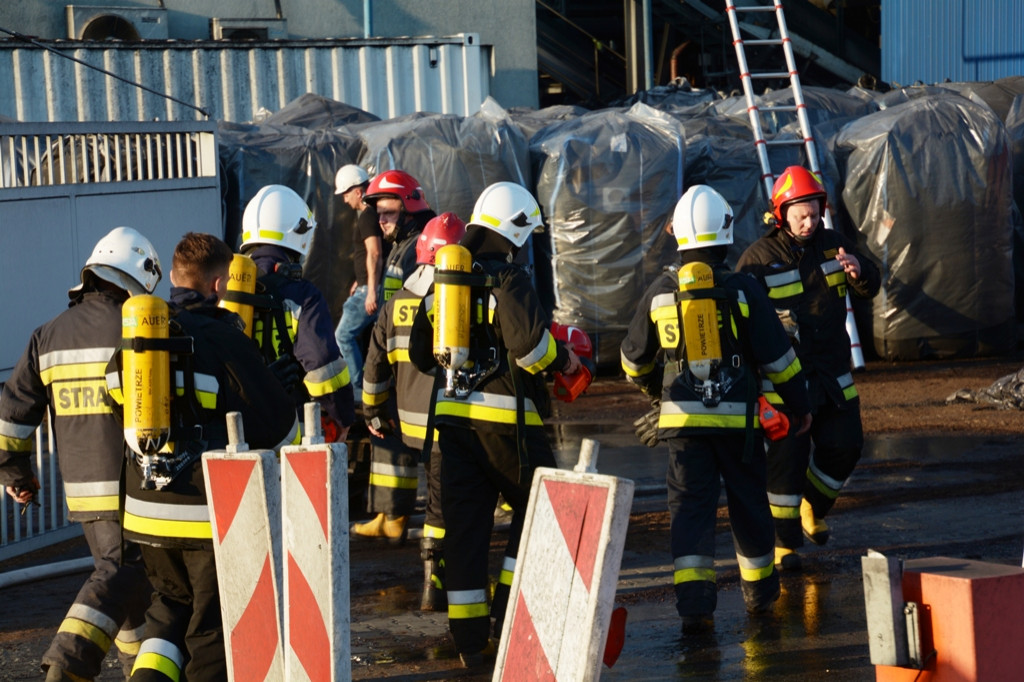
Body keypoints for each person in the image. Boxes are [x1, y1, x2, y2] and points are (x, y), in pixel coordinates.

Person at [620, 185, 812, 633]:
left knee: (690, 510)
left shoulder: (660, 293)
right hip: (739, 428)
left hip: (683, 428)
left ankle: (695, 605)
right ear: (725, 233)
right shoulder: (742, 289)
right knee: (748, 504)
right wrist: (800, 406)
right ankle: (760, 594)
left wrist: (658, 395)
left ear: (679, 235)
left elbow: (632, 361)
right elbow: (779, 359)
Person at [407, 181, 583, 669]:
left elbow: (422, 356)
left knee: (465, 532)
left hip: (454, 429)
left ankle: (469, 642)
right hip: (510, 430)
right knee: (541, 514)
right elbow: (530, 348)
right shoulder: (510, 277)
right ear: (516, 230)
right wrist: (565, 360)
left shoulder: (440, 280)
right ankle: (511, 611)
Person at [108, 232, 297, 682]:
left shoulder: (137, 340)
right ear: (219, 285)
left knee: (170, 609)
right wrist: (276, 383)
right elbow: (280, 430)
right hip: (205, 514)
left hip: (144, 512)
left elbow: (118, 405)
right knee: (211, 624)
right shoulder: (224, 337)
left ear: (171, 278)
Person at [0, 227, 159, 682]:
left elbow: (12, 416)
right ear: (136, 282)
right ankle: (68, 662)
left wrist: (17, 474)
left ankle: (138, 668)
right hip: (134, 486)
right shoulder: (140, 327)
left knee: (126, 581)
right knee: (120, 573)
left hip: (83, 494)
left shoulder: (46, 335)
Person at [736, 166, 880, 570]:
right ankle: (784, 546)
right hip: (785, 381)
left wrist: (860, 271)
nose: (809, 220)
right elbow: (740, 320)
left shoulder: (835, 246)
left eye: (815, 212)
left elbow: (872, 283)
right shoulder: (758, 260)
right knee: (786, 465)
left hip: (832, 374)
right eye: (800, 213)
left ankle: (812, 507)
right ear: (781, 213)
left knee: (846, 445)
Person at [362, 212, 467, 610]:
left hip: (408, 425)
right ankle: (432, 585)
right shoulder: (458, 298)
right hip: (450, 424)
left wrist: (372, 412)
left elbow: (375, 366)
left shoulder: (396, 304)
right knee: (444, 504)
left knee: (436, 497)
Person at [351, 169, 437, 540]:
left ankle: (397, 518)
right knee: (389, 437)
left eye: (387, 213)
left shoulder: (420, 249)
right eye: (378, 214)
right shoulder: (402, 247)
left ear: (409, 209)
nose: (380, 220)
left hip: (413, 367)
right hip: (396, 361)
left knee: (412, 441)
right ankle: (391, 516)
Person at [240, 184, 355, 443]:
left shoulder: (224, 289)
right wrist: (343, 416)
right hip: (287, 433)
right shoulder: (301, 294)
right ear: (298, 234)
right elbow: (323, 366)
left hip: (234, 433)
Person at [332, 164, 386, 398]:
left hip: (371, 290)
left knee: (343, 335)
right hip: (366, 286)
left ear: (357, 191)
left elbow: (375, 253)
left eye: (345, 194)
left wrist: (371, 290)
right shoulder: (372, 214)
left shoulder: (367, 217)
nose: (344, 200)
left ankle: (357, 390)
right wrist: (359, 280)